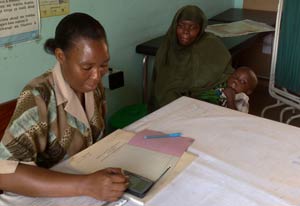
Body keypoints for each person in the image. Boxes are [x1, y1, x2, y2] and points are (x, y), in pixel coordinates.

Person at [0, 13, 128, 202]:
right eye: (86, 67)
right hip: (48, 196)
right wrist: (85, 185)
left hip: (87, 188)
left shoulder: (94, 88)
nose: (96, 76)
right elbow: (4, 173)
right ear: (61, 56)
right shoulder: (39, 97)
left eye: (104, 65)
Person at [149, 5, 234, 111]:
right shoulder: (167, 48)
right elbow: (162, 88)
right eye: (181, 26)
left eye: (193, 27)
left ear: (200, 28)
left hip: (205, 101)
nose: (186, 31)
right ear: (175, 26)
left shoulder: (211, 44)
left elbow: (228, 76)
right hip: (172, 105)